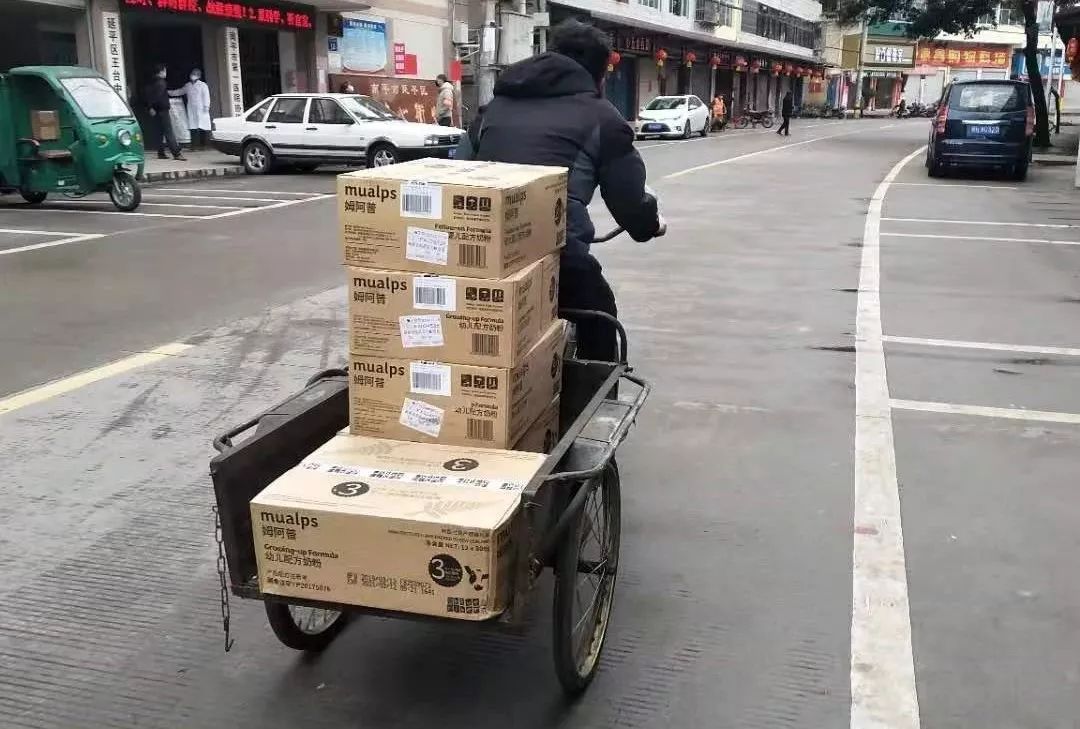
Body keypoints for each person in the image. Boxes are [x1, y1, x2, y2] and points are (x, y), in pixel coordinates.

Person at [454, 19, 664, 361]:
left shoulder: (493, 109)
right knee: (599, 314)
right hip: (557, 256)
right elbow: (630, 205)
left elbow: (457, 172)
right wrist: (651, 223)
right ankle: (595, 386)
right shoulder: (603, 117)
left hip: (477, 253)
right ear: (600, 75)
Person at [144, 64, 184, 161]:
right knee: (168, 131)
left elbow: (148, 95)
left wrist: (150, 107)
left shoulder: (151, 82)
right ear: (161, 72)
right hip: (162, 109)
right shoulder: (161, 82)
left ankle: (161, 152)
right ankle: (176, 153)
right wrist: (153, 106)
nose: (166, 73)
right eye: (165, 71)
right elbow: (158, 97)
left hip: (155, 110)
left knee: (159, 132)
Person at [168, 68, 212, 151]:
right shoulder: (188, 85)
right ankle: (194, 145)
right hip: (191, 109)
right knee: (193, 127)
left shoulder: (203, 85)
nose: (193, 75)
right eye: (192, 73)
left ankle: (204, 145)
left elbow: (206, 96)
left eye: (195, 74)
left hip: (202, 109)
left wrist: (206, 106)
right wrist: (169, 92)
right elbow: (180, 91)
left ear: (199, 76)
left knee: (202, 127)